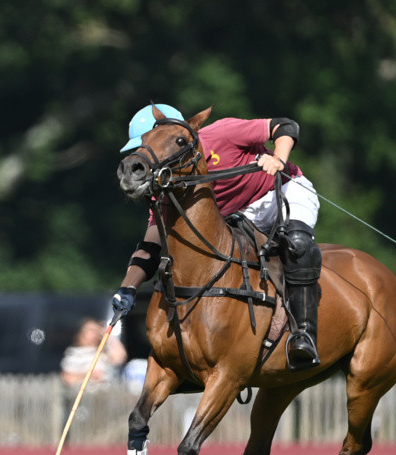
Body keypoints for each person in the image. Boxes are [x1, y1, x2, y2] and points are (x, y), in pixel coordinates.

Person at [111, 104, 321, 371]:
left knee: (299, 245)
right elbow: (151, 246)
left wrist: (278, 159)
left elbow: (285, 126)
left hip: (284, 190)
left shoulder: (223, 133)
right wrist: (127, 288)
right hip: (242, 213)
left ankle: (303, 334)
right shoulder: (166, 190)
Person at [60, 318, 127, 387]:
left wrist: (108, 335)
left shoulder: (103, 352)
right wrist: (90, 375)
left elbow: (120, 357)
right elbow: (67, 378)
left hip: (105, 392)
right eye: (91, 330)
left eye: (96, 330)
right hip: (83, 393)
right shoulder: (73, 353)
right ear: (82, 333)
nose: (94, 333)